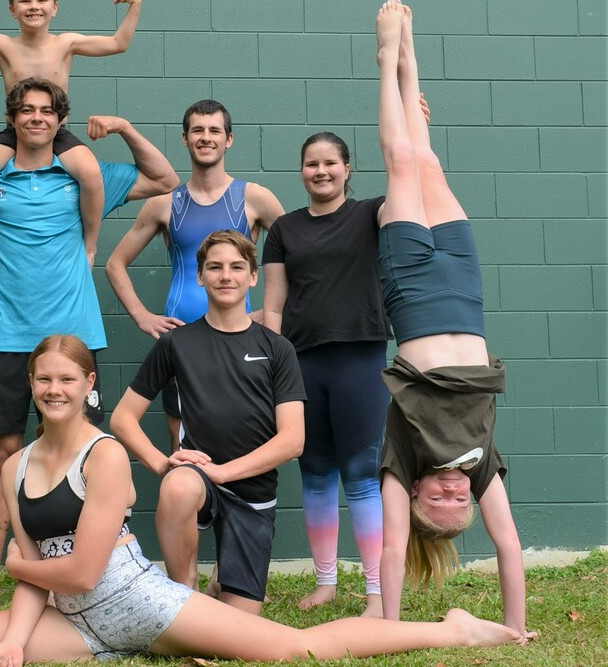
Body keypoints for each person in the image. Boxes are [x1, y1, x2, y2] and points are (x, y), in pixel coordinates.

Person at [0, 334, 528, 667]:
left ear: (90, 384)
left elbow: (78, 563)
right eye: (41, 381)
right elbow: (37, 579)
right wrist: (13, 643)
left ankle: (445, 626)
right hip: (70, 626)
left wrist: (20, 560)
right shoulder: (14, 471)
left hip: (136, 602)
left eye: (66, 379)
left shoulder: (109, 454)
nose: (51, 390)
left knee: (294, 653)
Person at [0, 77, 178, 614]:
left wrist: (122, 127)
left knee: (84, 457)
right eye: (26, 111)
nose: (36, 118)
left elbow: (164, 177)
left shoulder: (84, 176)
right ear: (13, 119)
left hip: (72, 337)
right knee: (1, 456)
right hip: (3, 338)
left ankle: (82, 573)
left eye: (46, 112)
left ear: (59, 121)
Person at [373, 1, 533, 639]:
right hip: (465, 295)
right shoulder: (481, 465)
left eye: (437, 503)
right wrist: (516, 628)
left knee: (404, 165)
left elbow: (388, 551)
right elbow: (511, 548)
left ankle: (387, 59)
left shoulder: (401, 464)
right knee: (430, 161)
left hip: (412, 298)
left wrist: (389, 627)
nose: (450, 495)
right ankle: (412, 57)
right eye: (457, 503)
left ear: (415, 501)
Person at [110, 231, 306, 615]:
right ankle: (183, 592)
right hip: (197, 479)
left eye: (236, 267)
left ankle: (226, 580)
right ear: (199, 276)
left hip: (252, 492)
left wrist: (224, 472)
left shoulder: (276, 348)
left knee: (240, 623)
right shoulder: (176, 343)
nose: (225, 276)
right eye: (214, 267)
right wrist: (161, 462)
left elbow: (293, 440)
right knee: (178, 485)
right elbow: (122, 418)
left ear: (253, 277)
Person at [260, 132, 391, 617]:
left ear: (347, 168)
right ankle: (327, 582)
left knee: (361, 476)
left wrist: (413, 124)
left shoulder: (371, 215)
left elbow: (410, 177)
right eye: (312, 164)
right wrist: (272, 369)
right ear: (302, 171)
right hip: (301, 363)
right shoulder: (285, 230)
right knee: (315, 475)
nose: (321, 171)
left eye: (330, 163)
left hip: (360, 359)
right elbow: (272, 307)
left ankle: (377, 592)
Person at [106, 99, 285, 451]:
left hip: (240, 340)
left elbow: (300, 256)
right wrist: (142, 316)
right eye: (198, 131)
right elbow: (115, 264)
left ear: (229, 139)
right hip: (183, 342)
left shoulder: (255, 198)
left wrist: (273, 313)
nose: (206, 138)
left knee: (243, 437)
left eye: (214, 130)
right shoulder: (164, 203)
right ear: (185, 139)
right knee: (182, 444)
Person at [0, 0, 143, 263]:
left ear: (55, 8)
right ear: (11, 10)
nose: (33, 6)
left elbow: (118, 43)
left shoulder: (67, 43)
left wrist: (136, 4)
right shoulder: (2, 45)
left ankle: (89, 247)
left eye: (42, 1)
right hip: (15, 132)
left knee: (90, 172)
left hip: (57, 132)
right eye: (24, 1)